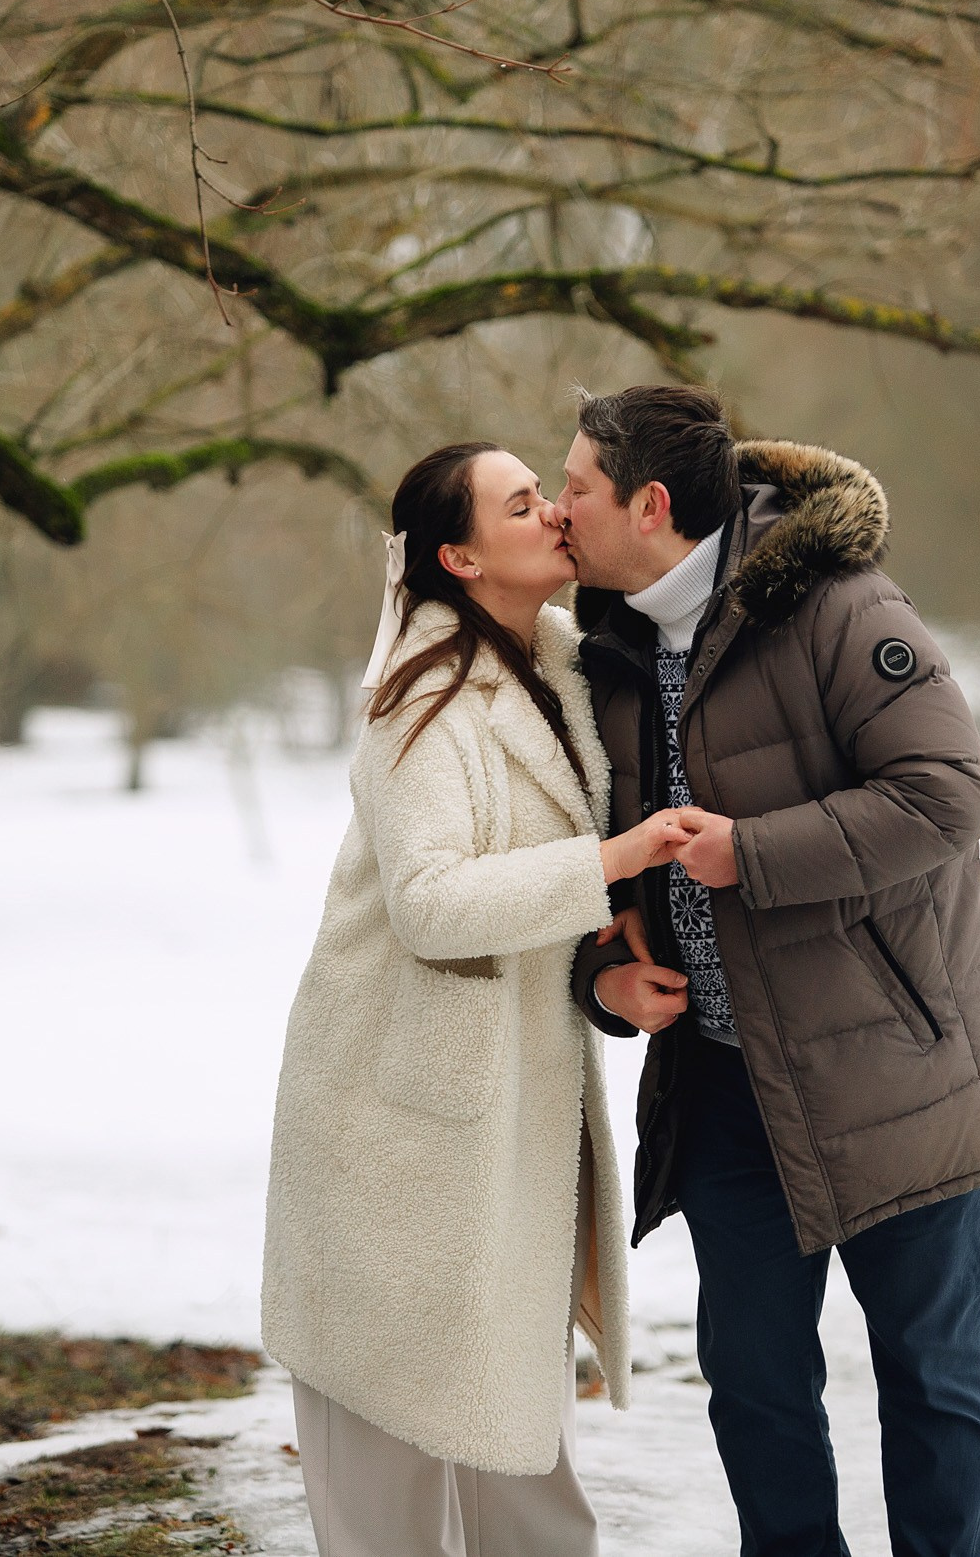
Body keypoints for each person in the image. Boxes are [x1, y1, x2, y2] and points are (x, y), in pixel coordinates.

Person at [556, 386, 980, 1557]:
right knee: (755, 1392)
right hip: (724, 1089)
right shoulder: (602, 647)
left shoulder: (836, 604)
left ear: (651, 503)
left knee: (930, 1385)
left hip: (897, 1070)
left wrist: (752, 852)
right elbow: (580, 856)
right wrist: (600, 982)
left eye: (575, 485)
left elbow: (945, 796)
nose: (557, 506)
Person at [262, 439, 691, 1557]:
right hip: (392, 1132)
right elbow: (434, 906)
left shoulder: (552, 663)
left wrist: (600, 967)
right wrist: (616, 856)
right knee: (384, 1488)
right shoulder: (417, 705)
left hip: (503, 1131)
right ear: (458, 555)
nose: (553, 511)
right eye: (521, 502)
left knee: (524, 1456)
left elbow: (523, 911)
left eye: (547, 491)